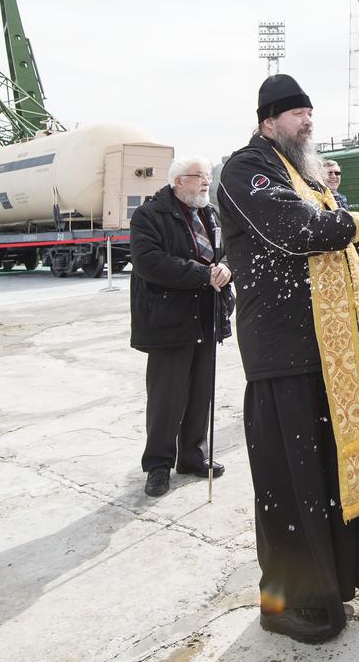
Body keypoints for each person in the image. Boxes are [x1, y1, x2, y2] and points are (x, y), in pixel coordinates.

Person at [217, 74, 359, 644]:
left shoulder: (308, 175)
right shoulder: (245, 170)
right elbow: (297, 231)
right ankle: (283, 604)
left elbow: (346, 242)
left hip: (330, 350)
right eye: (296, 115)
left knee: (329, 475)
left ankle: (333, 583)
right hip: (282, 350)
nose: (307, 122)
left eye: (310, 113)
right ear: (268, 120)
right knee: (290, 484)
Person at [130, 155, 234, 497]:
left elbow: (226, 251)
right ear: (178, 181)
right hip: (169, 320)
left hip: (206, 315)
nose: (206, 181)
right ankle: (158, 465)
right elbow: (149, 263)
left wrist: (226, 268)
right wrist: (203, 274)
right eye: (198, 177)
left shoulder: (210, 213)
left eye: (207, 176)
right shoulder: (150, 215)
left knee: (200, 392)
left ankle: (192, 456)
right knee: (166, 396)